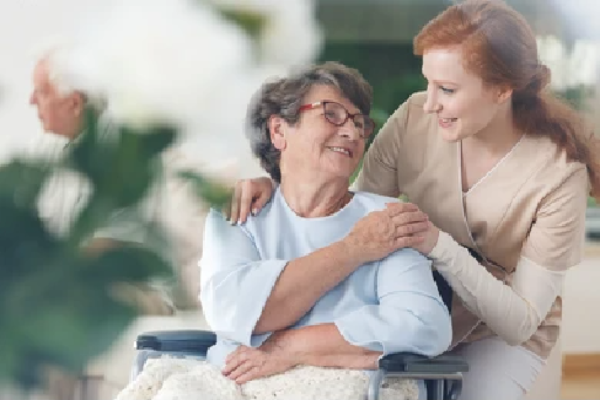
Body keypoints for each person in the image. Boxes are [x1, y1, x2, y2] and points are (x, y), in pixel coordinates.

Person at [225, 1, 600, 399]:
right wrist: (280, 185)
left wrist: (437, 244)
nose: (430, 102)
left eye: (448, 90)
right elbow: (352, 214)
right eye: (429, 83)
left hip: (500, 332)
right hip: (410, 303)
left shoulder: (560, 176)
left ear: (501, 90)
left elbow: (520, 322)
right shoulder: (414, 119)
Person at [199, 61, 451, 398]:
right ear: (278, 131)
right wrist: (354, 248)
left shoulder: (386, 220)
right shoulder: (239, 211)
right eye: (331, 114)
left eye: (360, 124)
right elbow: (233, 314)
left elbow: (426, 326)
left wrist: (291, 346)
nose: (352, 133)